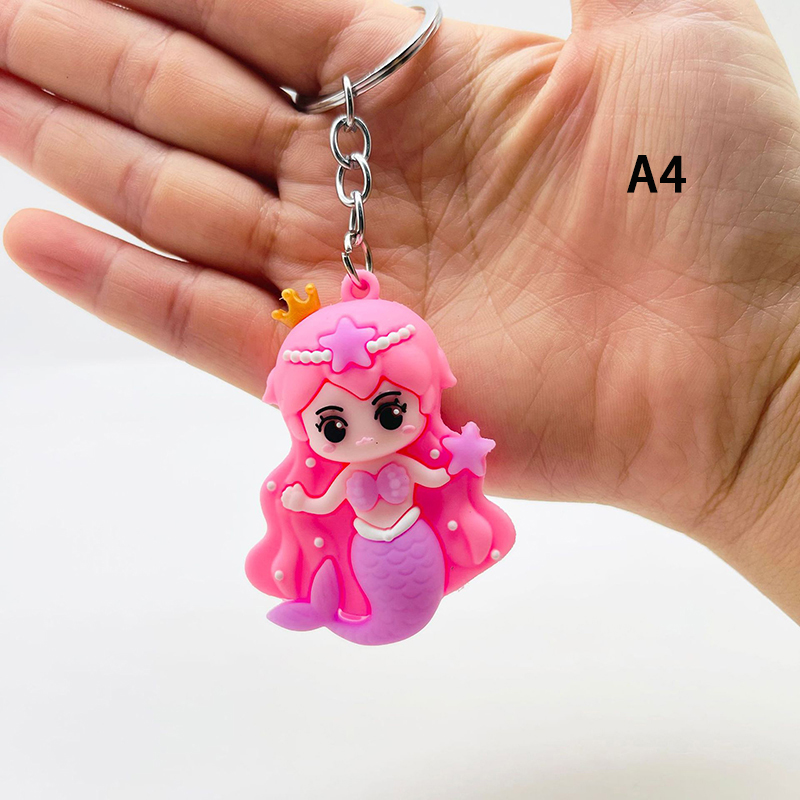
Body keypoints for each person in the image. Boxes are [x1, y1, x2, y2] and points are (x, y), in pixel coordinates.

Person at [1, 0, 799, 623]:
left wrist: (768, 403)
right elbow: (322, 496)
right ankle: (337, 609)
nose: (368, 435)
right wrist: (764, 430)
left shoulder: (412, 460)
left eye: (388, 411)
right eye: (334, 425)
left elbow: (442, 465)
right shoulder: (337, 481)